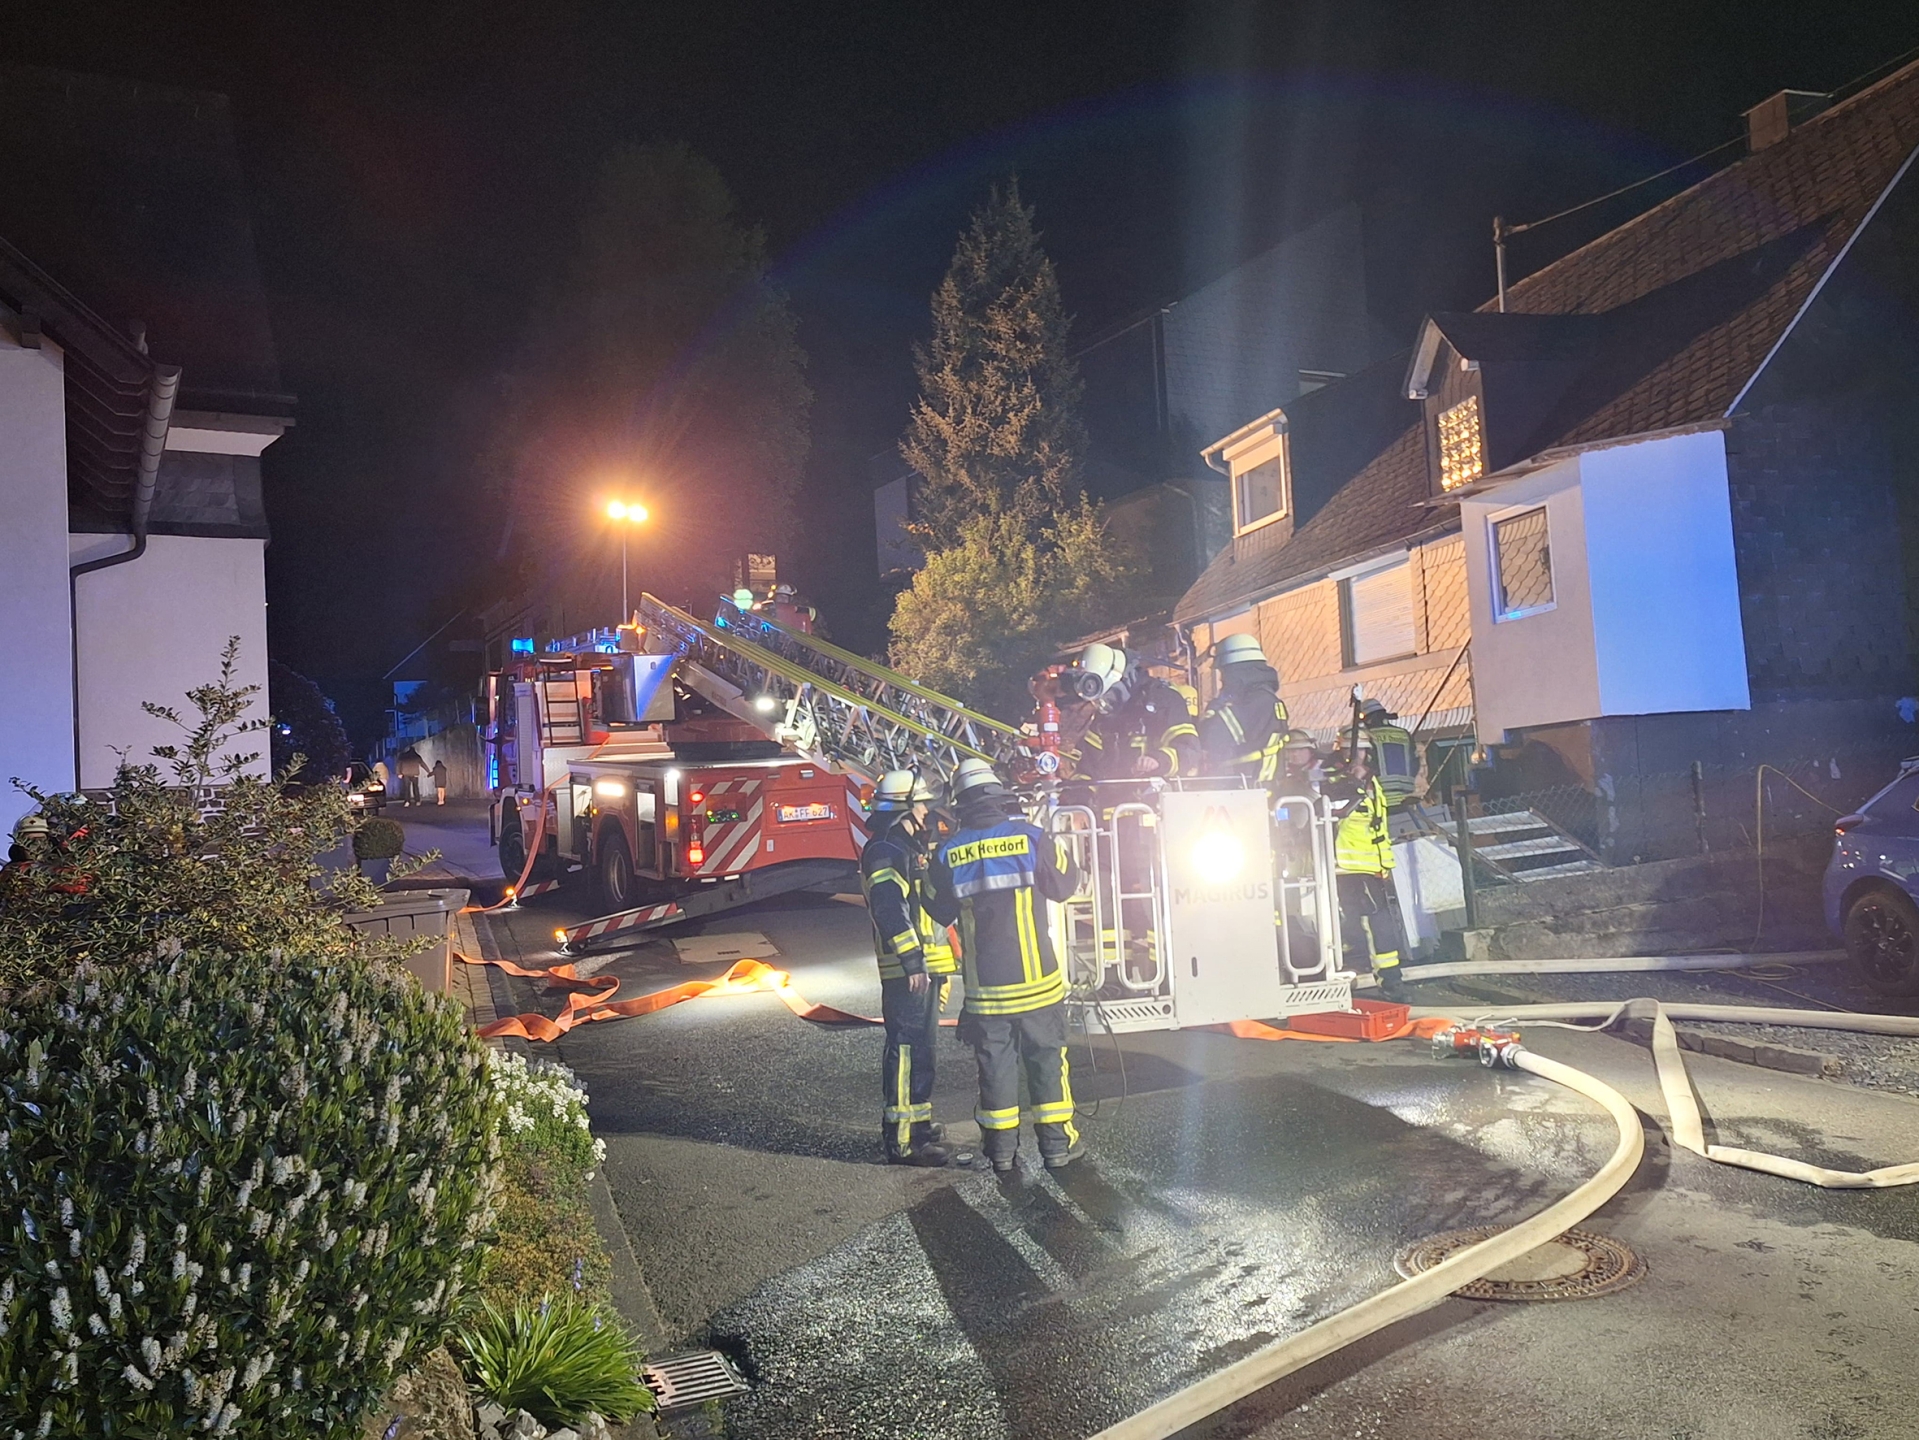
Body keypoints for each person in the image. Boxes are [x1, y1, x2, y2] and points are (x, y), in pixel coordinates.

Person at [927, 759, 1085, 1173]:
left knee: (995, 1069)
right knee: (1047, 1062)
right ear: (999, 797)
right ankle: (1057, 1149)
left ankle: (1000, 1153)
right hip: (1038, 984)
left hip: (986, 991)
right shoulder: (1031, 838)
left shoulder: (948, 853)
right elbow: (1067, 884)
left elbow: (935, 908)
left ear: (959, 805)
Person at [860, 770, 963, 1167]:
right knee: (905, 1049)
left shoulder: (906, 845)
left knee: (923, 1050)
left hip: (925, 968)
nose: (927, 811)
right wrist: (912, 961)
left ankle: (919, 1126)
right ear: (904, 808)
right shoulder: (886, 849)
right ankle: (902, 1141)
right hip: (908, 973)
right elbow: (889, 907)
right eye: (921, 804)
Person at [1325, 749, 1406, 997]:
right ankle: (1379, 978)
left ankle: (1388, 980)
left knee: (1375, 923)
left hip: (1369, 868)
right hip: (1346, 869)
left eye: (1360, 751)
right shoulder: (1333, 781)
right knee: (1364, 922)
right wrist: (1350, 786)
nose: (1357, 757)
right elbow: (1334, 811)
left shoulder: (1372, 783)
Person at [1067, 642, 1199, 782]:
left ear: (1120, 680)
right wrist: (1079, 793)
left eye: (1108, 695)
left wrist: (1159, 760)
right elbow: (1089, 766)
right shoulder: (1105, 718)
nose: (1103, 703)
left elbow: (1189, 750)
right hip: (1116, 801)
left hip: (1159, 798)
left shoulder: (1163, 700)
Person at [1199, 634, 1289, 784]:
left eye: (1224, 672)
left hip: (1248, 787)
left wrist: (1214, 709)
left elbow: (1210, 736)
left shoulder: (1255, 702)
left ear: (1238, 672)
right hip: (1259, 786)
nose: (1222, 679)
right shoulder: (1266, 698)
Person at [1353, 699, 1419, 812]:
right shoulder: (1404, 733)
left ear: (1368, 719)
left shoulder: (1368, 736)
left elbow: (1366, 763)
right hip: (1406, 795)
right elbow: (1415, 761)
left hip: (1383, 796)